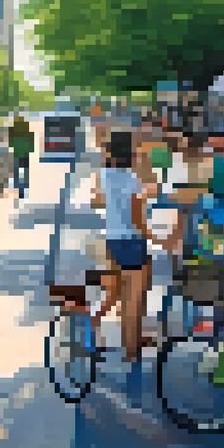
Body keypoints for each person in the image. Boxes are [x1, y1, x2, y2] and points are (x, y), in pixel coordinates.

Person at [101, 130, 166, 363]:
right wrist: (159, 240)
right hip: (131, 242)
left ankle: (135, 339)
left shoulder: (106, 175)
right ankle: (131, 352)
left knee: (131, 294)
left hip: (113, 241)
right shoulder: (131, 180)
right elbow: (137, 221)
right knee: (133, 299)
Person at [9, 117, 34, 192]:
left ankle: (17, 184)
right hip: (25, 152)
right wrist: (30, 149)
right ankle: (25, 184)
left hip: (17, 152)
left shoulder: (13, 131)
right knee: (25, 169)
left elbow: (10, 143)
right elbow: (31, 141)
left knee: (16, 169)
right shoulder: (28, 132)